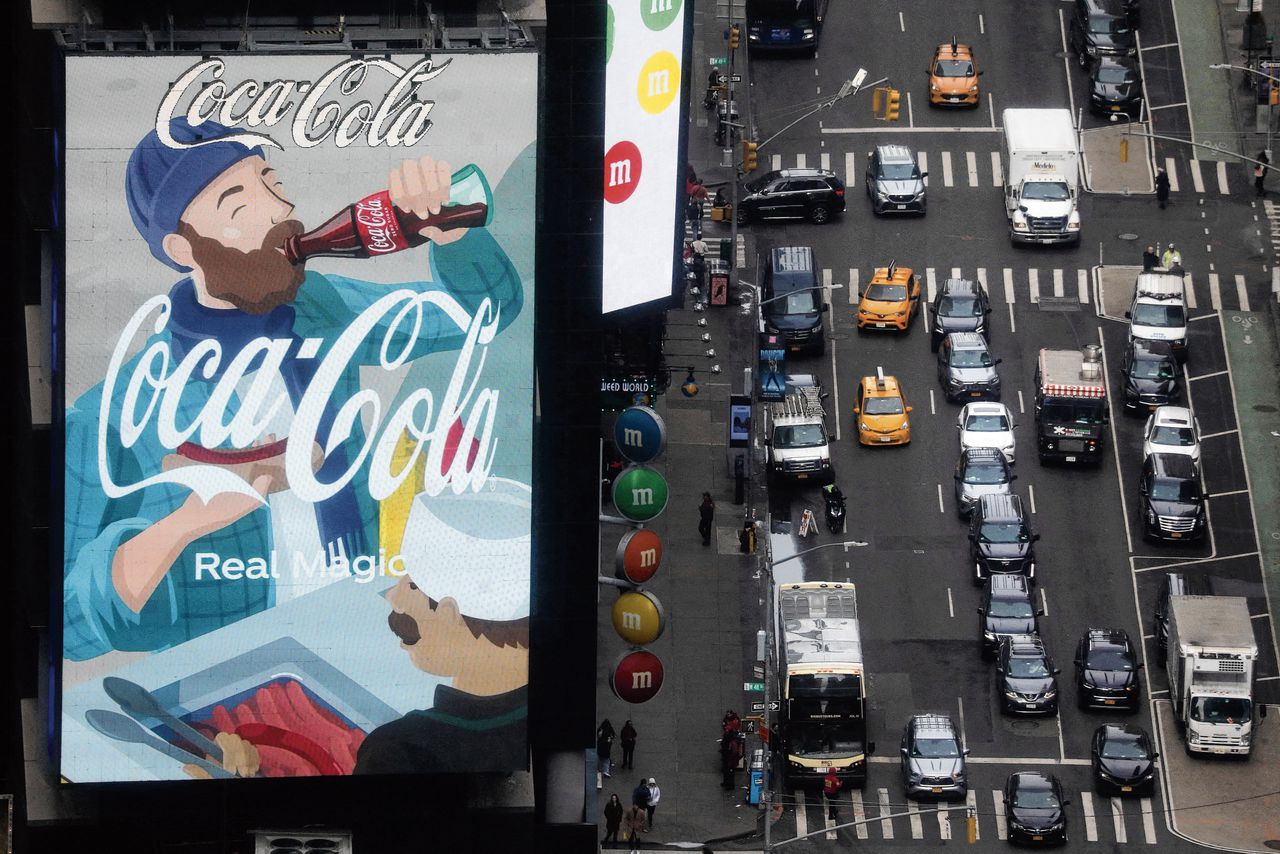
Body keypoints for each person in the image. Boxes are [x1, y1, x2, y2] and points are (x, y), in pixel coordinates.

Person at [64, 117, 523, 663]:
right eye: (239, 205)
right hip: (227, 677)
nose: (280, 210)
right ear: (182, 249)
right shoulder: (117, 410)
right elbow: (70, 621)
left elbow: (481, 316)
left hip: (373, 635)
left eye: (273, 184)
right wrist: (188, 522)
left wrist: (455, 237)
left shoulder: (321, 311)